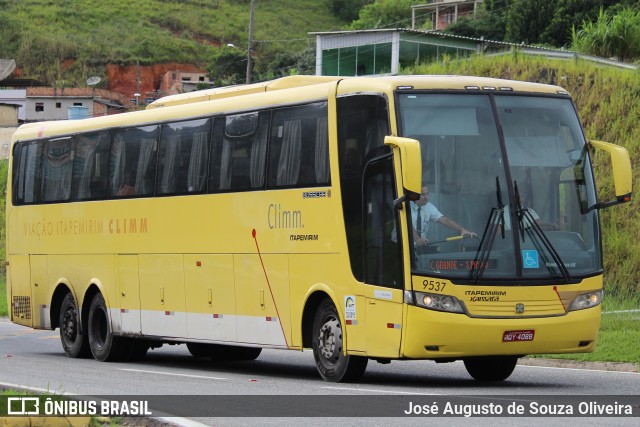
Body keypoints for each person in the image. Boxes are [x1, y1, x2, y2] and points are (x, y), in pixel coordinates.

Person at [412, 185, 476, 246]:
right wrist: (417, 240)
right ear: (415, 195)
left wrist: (462, 230)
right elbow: (407, 224)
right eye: (422, 194)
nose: (426, 197)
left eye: (427, 193)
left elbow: (445, 221)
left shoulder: (428, 206)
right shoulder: (406, 206)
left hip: (421, 249)